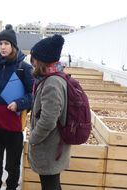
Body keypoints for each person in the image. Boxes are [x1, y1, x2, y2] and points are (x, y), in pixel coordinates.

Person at [0, 24, 34, 190]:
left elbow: (33, 95)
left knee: (12, 162)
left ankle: (11, 186)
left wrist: (19, 103)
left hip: (13, 122)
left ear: (13, 46)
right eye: (0, 44)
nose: (2, 47)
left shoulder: (24, 68)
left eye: (6, 44)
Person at [28, 35, 71, 190]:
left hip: (49, 147)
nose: (32, 63)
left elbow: (48, 119)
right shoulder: (54, 77)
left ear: (42, 61)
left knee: (50, 185)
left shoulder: (52, 82)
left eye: (34, 59)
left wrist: (33, 137)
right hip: (53, 146)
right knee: (53, 184)